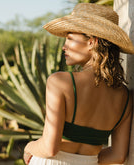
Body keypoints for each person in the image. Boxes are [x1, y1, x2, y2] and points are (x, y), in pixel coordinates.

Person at [23, 3, 134, 165]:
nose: (64, 47)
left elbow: (49, 148)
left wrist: (29, 147)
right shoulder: (125, 96)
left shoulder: (60, 82)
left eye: (69, 38)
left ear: (92, 42)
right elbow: (117, 156)